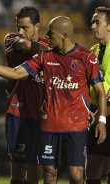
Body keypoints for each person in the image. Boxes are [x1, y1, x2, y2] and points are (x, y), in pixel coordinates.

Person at [0, 16, 107, 184]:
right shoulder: (44, 57)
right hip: (49, 125)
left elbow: (100, 92)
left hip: (75, 127)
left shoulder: (86, 57)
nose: (46, 35)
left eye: (50, 32)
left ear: (64, 35)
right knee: (49, 174)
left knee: (76, 176)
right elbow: (16, 73)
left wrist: (102, 120)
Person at [3, 6, 48, 184]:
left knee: (36, 173)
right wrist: (58, 51)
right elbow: (27, 44)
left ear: (37, 26)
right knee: (19, 170)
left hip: (41, 114)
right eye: (18, 27)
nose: (20, 31)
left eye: (25, 28)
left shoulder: (46, 44)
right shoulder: (12, 40)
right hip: (17, 113)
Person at [86, 6, 110, 184]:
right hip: (95, 112)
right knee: (93, 166)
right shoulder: (92, 51)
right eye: (92, 22)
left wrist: (101, 116)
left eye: (97, 22)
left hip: (104, 113)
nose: (92, 26)